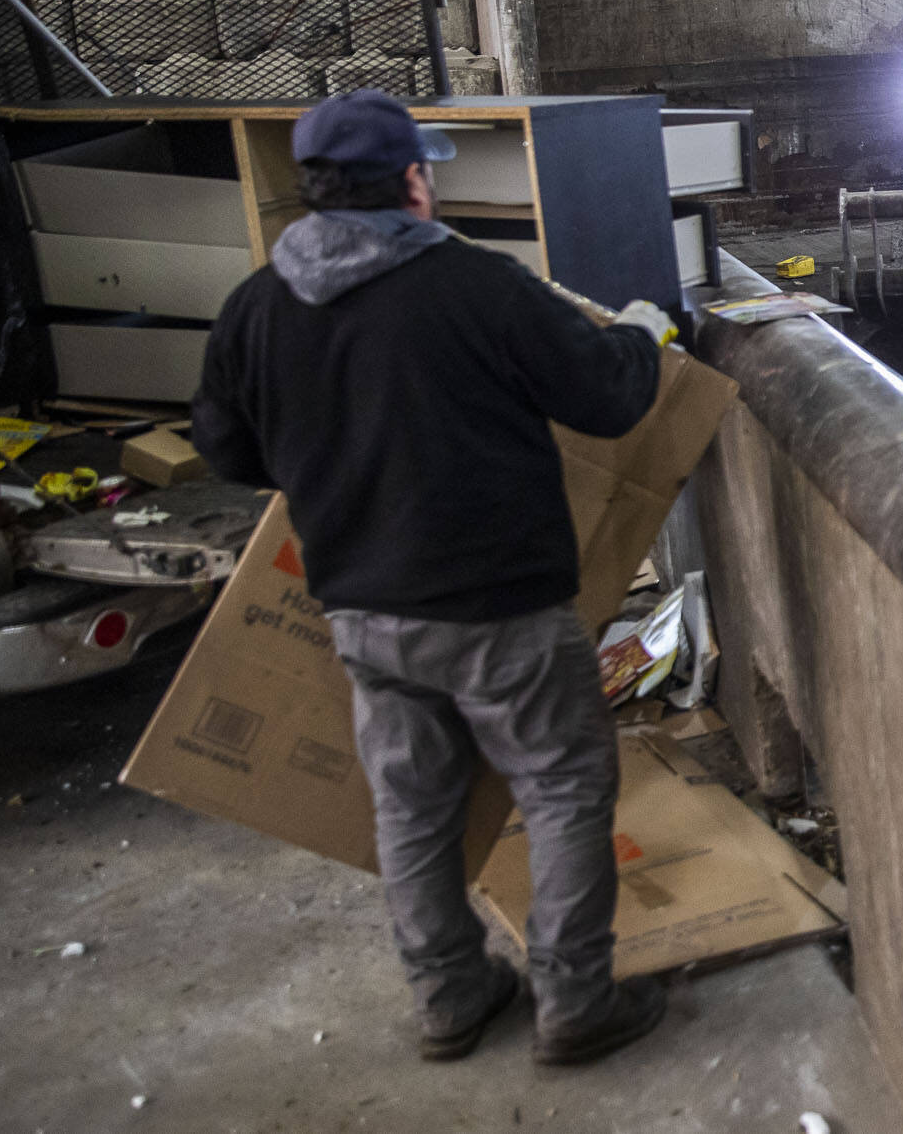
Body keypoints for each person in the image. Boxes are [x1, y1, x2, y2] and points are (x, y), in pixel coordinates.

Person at [193, 89, 677, 1066]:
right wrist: (640, 331)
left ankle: (451, 996)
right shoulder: (475, 285)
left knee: (411, 808)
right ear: (413, 180)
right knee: (562, 788)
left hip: (364, 611)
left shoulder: (256, 305)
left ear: (313, 191)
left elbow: (227, 450)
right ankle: (574, 998)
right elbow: (606, 395)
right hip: (503, 606)